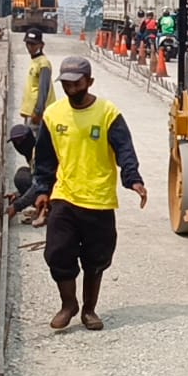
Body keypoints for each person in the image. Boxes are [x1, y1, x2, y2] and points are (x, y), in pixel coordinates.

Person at [31, 56, 147, 331]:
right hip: (65, 196)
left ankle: (89, 310)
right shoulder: (53, 115)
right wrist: (42, 190)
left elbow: (125, 150)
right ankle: (68, 304)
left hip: (99, 199)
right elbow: (45, 159)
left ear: (89, 82)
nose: (71, 89)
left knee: (96, 258)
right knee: (58, 253)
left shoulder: (108, 114)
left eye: (77, 83)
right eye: (67, 84)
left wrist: (133, 179)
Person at [4, 124, 43, 225]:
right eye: (15, 142)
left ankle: (44, 210)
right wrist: (19, 194)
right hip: (47, 185)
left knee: (21, 178)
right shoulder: (29, 153)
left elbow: (40, 183)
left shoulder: (38, 153)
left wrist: (17, 206)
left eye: (19, 141)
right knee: (23, 171)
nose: (18, 145)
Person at [19, 29, 55, 133]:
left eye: (33, 44)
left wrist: (38, 112)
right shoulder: (35, 61)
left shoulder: (43, 64)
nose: (30, 47)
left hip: (36, 115)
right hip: (30, 112)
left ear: (41, 45)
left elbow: (43, 89)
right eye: (28, 44)